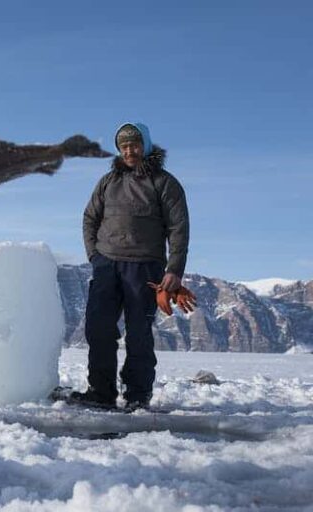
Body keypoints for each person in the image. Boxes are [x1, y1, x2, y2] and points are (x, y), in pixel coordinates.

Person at [73, 122, 189, 412]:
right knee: (98, 329)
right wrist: (94, 256)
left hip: (146, 268)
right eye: (124, 146)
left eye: (134, 145)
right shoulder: (108, 182)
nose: (129, 151)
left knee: (138, 333)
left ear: (145, 145)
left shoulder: (164, 183)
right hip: (106, 266)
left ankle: (138, 394)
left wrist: (174, 269)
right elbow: (89, 218)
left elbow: (179, 228)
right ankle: (101, 391)